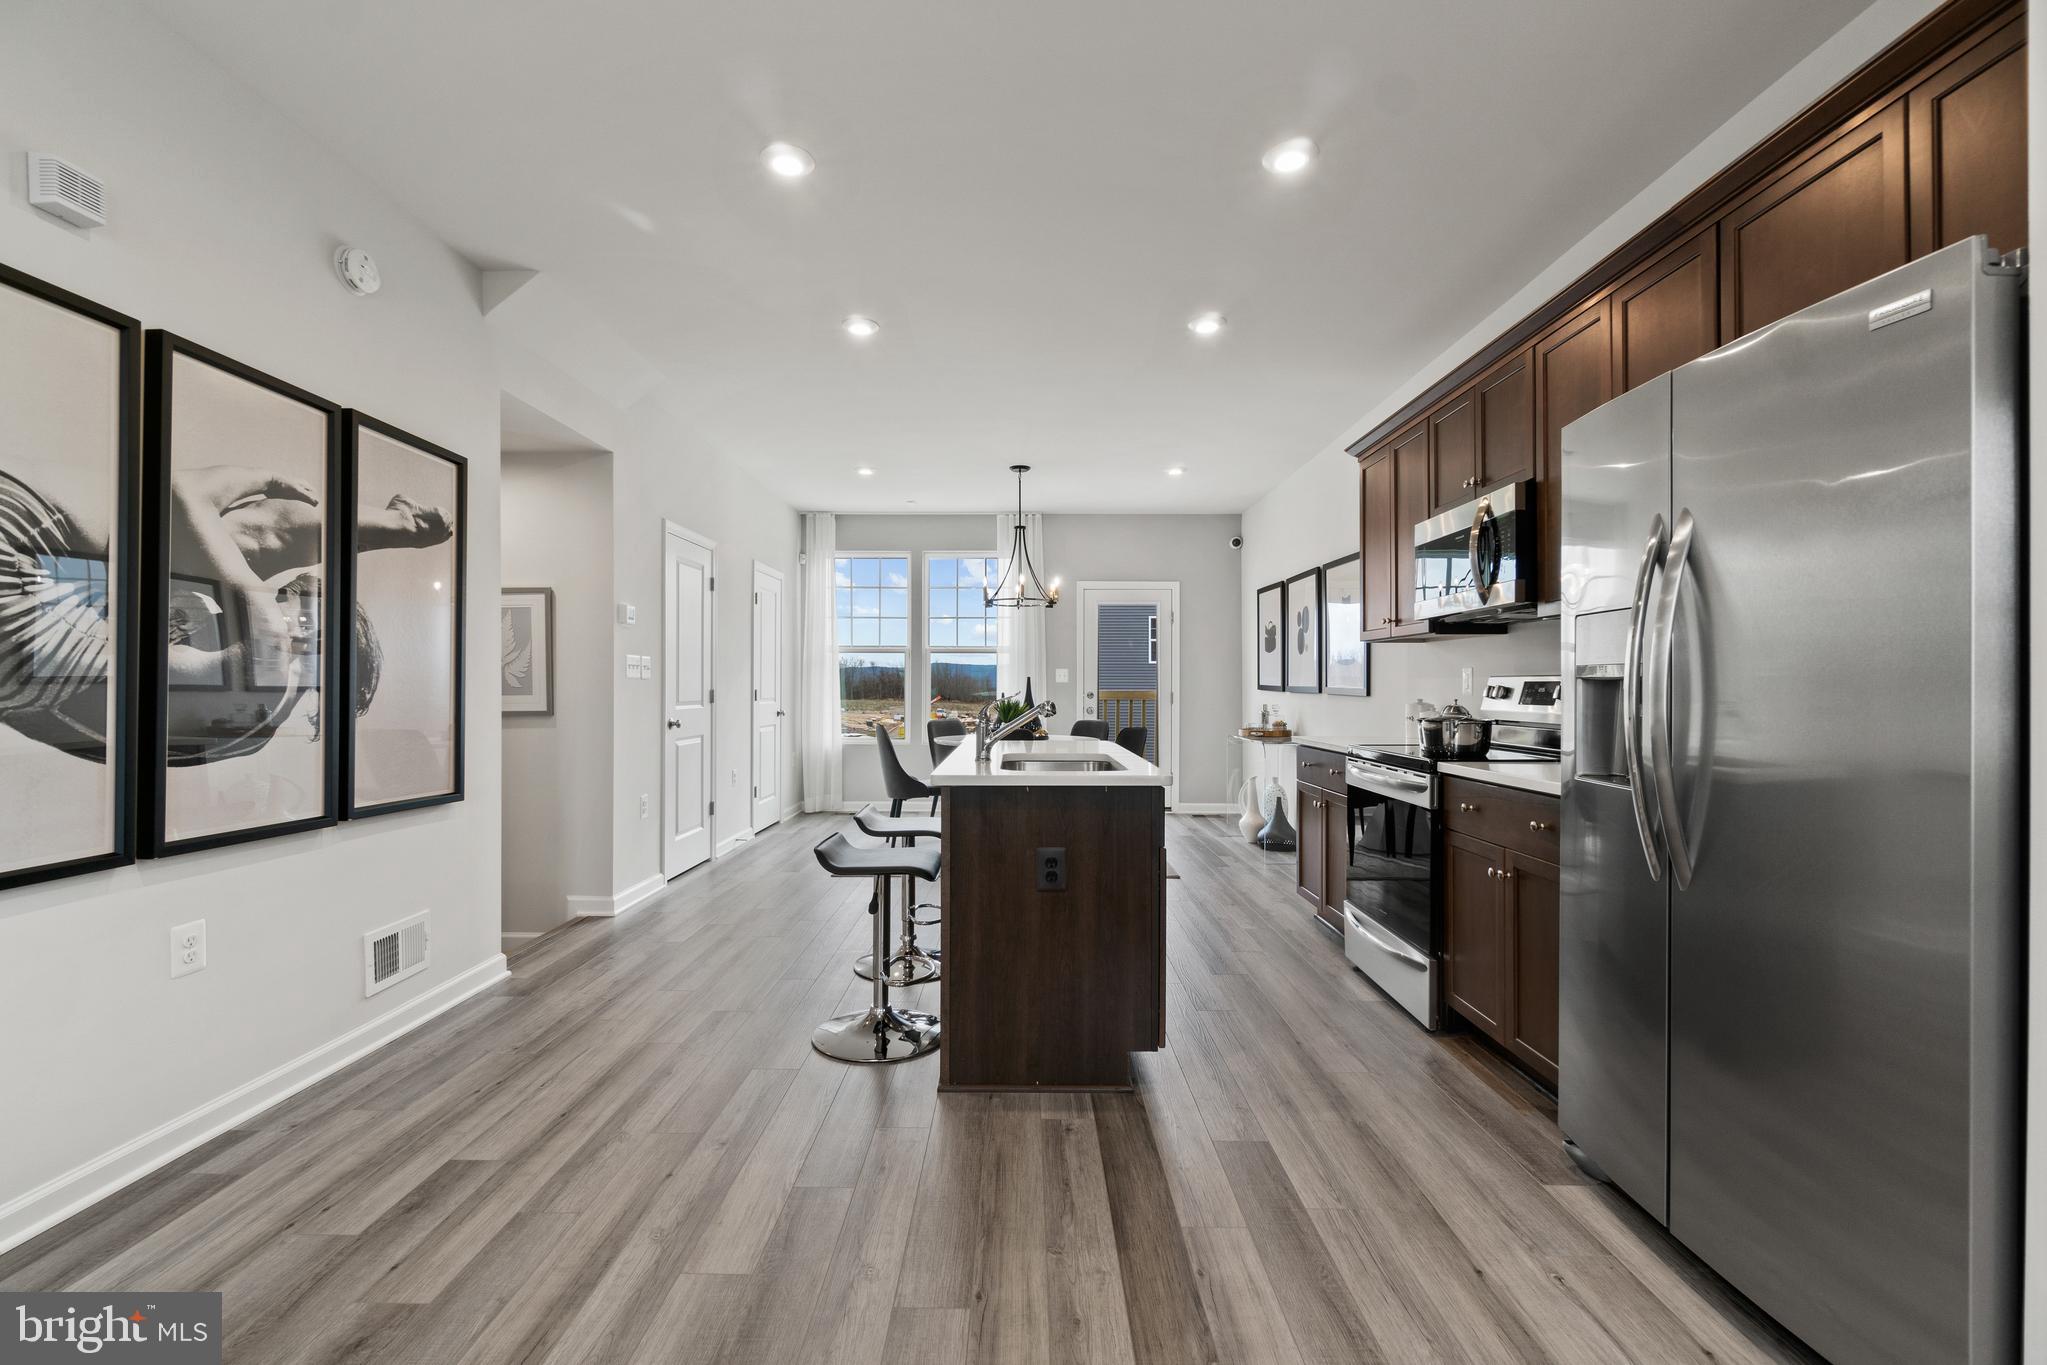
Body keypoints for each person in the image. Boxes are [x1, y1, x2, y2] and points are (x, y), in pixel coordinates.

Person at [0, 461, 451, 766]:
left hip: (14, 587)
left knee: (227, 545)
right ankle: (389, 528)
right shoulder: (251, 733)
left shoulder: (272, 654)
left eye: (283, 601)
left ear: (315, 631)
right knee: (208, 559)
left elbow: (182, 493)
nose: (268, 604)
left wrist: (266, 478)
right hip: (21, 673)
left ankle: (397, 527)